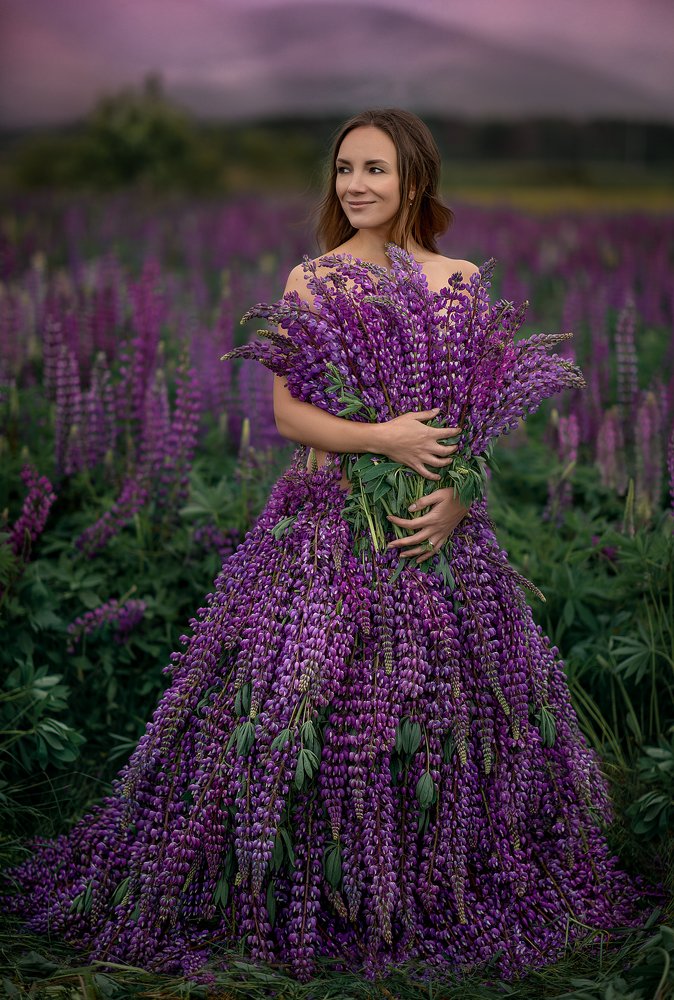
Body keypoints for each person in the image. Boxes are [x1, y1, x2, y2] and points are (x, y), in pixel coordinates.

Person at [3, 108, 640, 984]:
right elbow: (287, 415)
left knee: (457, 713)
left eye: (375, 168)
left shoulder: (460, 279)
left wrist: (459, 493)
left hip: (437, 537)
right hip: (329, 523)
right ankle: (295, 880)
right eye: (344, 168)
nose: (355, 185)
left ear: (415, 177)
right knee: (303, 701)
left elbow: (478, 417)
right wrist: (384, 439)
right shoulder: (312, 280)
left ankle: (447, 879)